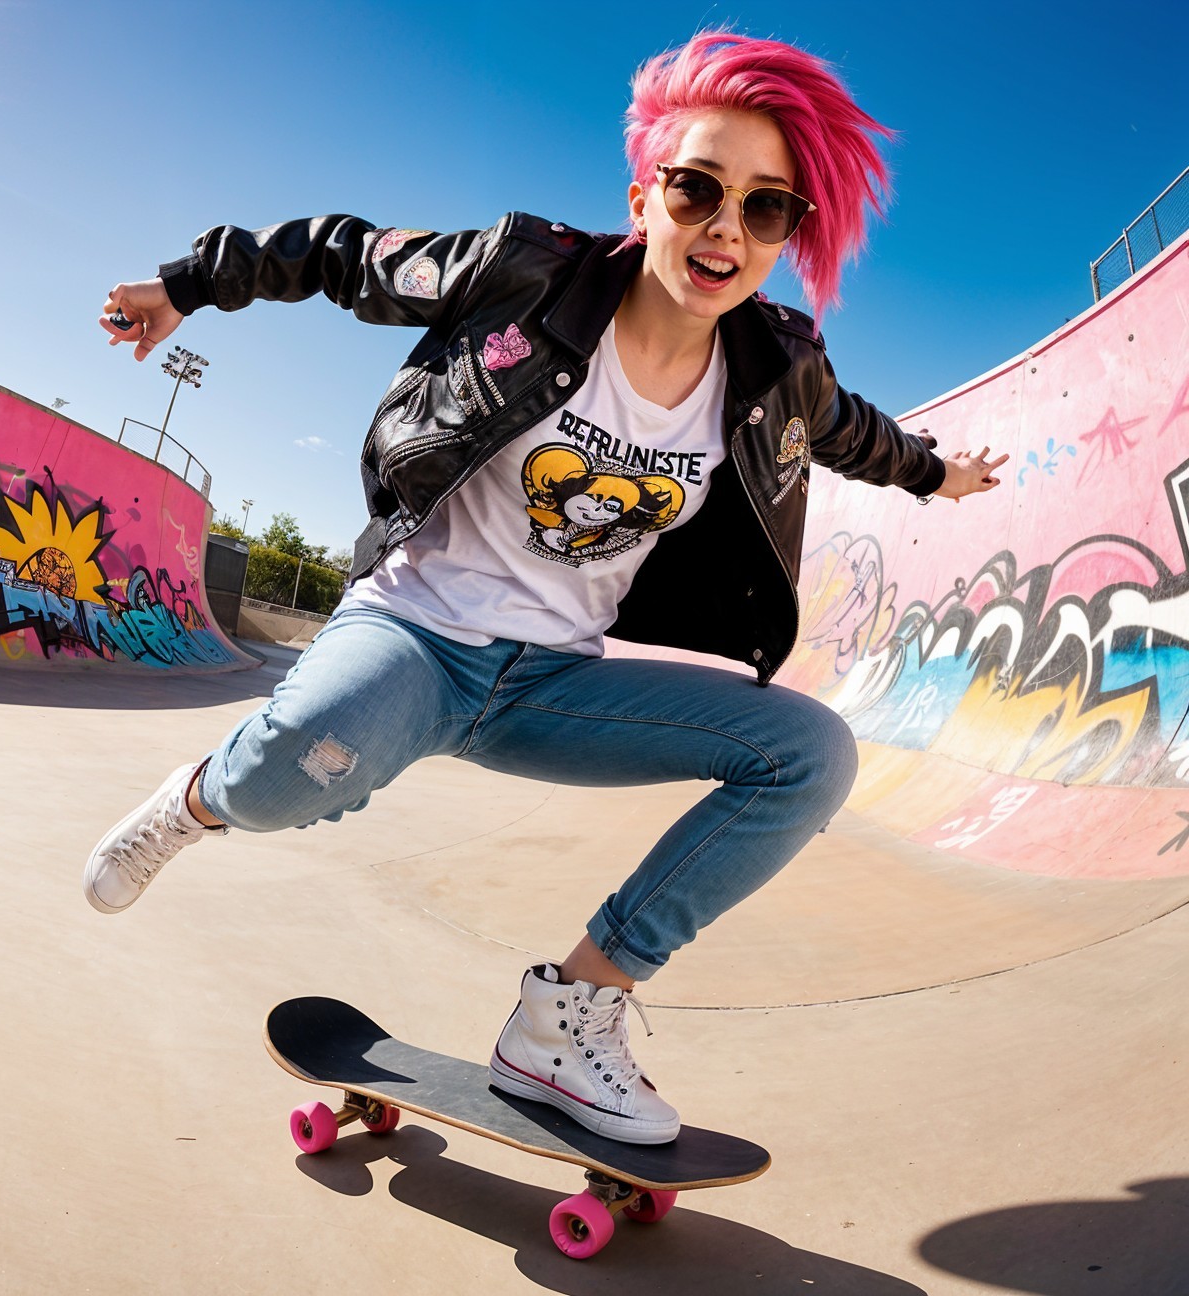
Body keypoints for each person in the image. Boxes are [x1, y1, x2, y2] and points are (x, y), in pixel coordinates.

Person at [81, 32, 1007, 1145]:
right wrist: (191, 284)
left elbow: (850, 433)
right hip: (419, 635)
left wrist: (938, 472)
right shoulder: (525, 273)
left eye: (766, 210)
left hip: (557, 684)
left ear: (786, 237)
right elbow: (343, 255)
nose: (725, 228)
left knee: (809, 756)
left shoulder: (777, 370)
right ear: (643, 194)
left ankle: (569, 1014)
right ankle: (199, 799)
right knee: (284, 781)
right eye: (699, 189)